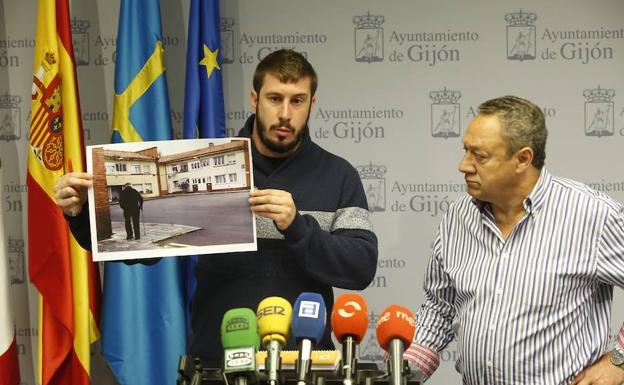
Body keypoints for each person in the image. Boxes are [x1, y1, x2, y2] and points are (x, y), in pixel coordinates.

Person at [54, 49, 378, 365]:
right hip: (216, 363)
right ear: (255, 99)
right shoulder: (205, 166)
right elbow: (141, 247)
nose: (285, 114)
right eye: (275, 98)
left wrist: (298, 226)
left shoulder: (338, 175)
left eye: (297, 101)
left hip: (305, 364)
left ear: (312, 104)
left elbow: (360, 267)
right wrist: (82, 214)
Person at [404, 96, 624, 385]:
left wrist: (619, 361)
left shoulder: (593, 215)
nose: (463, 165)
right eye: (465, 151)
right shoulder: (458, 216)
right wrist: (403, 373)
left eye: (479, 156)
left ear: (523, 159)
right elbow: (440, 307)